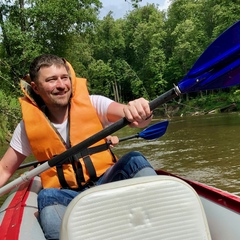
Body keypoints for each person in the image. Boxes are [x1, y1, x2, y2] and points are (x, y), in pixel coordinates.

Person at [0, 54, 156, 239]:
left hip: (106, 183)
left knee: (135, 160)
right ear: (36, 87)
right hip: (68, 197)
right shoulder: (27, 127)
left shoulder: (94, 103)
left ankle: (160, 227)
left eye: (64, 78)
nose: (61, 85)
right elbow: (4, 168)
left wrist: (140, 111)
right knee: (46, 196)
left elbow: (132, 118)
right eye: (51, 80)